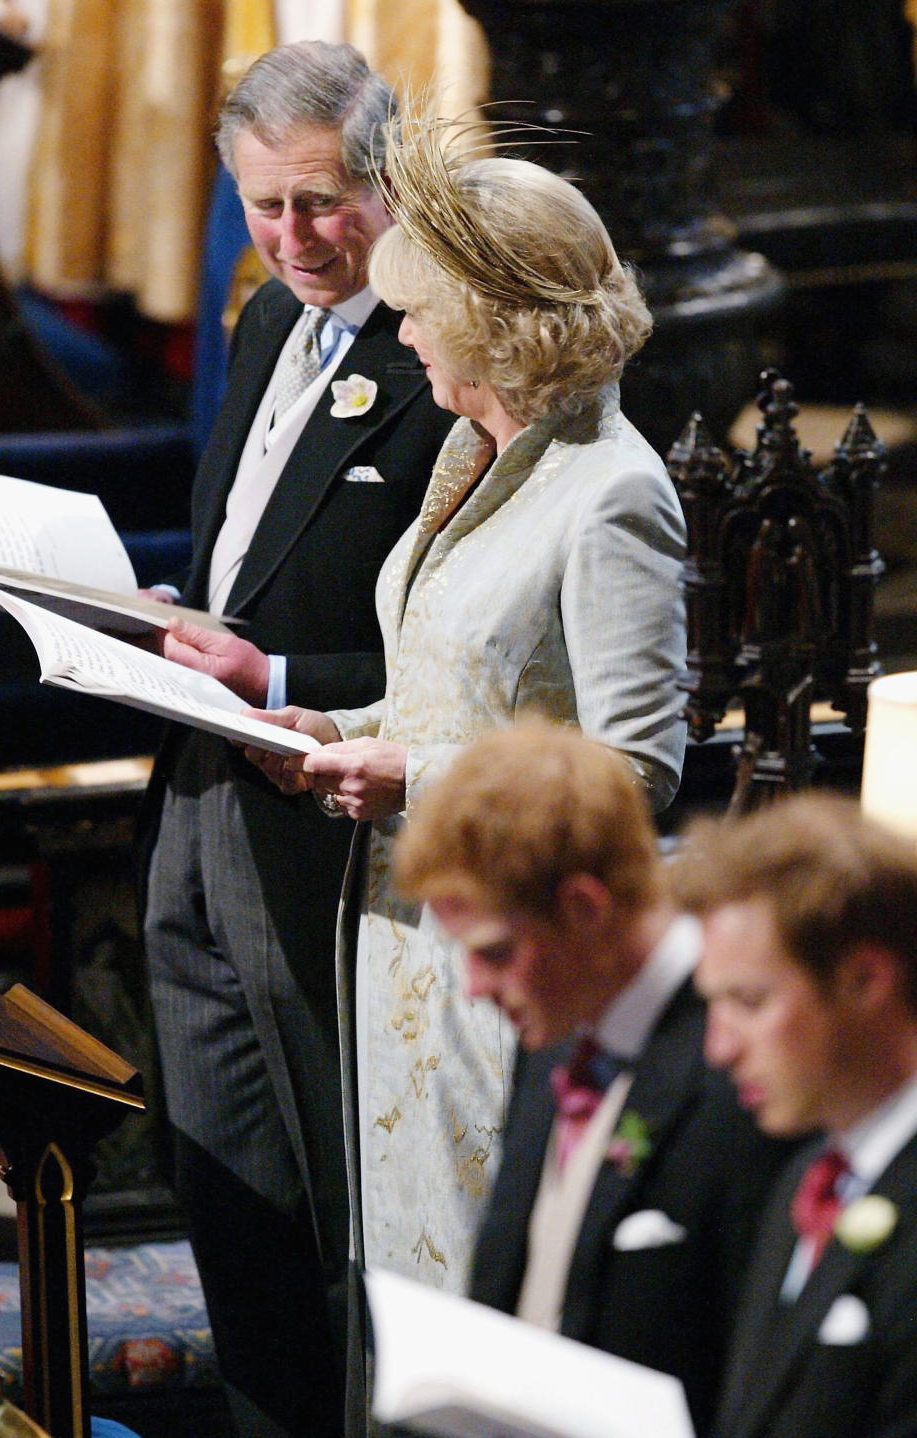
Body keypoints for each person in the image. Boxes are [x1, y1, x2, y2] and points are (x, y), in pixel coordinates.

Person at [244, 116, 689, 1296]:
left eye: (419, 308)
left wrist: (414, 778)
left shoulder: (612, 493)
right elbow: (457, 683)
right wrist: (344, 730)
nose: (398, 330)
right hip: (402, 936)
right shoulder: (473, 448)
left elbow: (635, 772)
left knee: (482, 1294)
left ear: (497, 325)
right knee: (399, 1286)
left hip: (508, 959)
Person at [138, 42, 454, 1438]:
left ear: (385, 177)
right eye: (263, 207)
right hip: (200, 789)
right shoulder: (265, 318)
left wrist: (277, 669)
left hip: (332, 821)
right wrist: (166, 619)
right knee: (226, 1178)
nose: (293, 238)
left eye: (320, 203)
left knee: (337, 1199)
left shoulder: (444, 349)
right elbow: (246, 560)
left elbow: (462, 642)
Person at [391, 721, 790, 1436]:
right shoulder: (556, 1022)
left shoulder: (743, 1071)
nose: (475, 988)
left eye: (496, 951)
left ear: (583, 907)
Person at [672, 793, 917, 1438]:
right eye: (712, 1006)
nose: (718, 1049)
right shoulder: (804, 1177)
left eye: (749, 1002)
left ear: (864, 979)